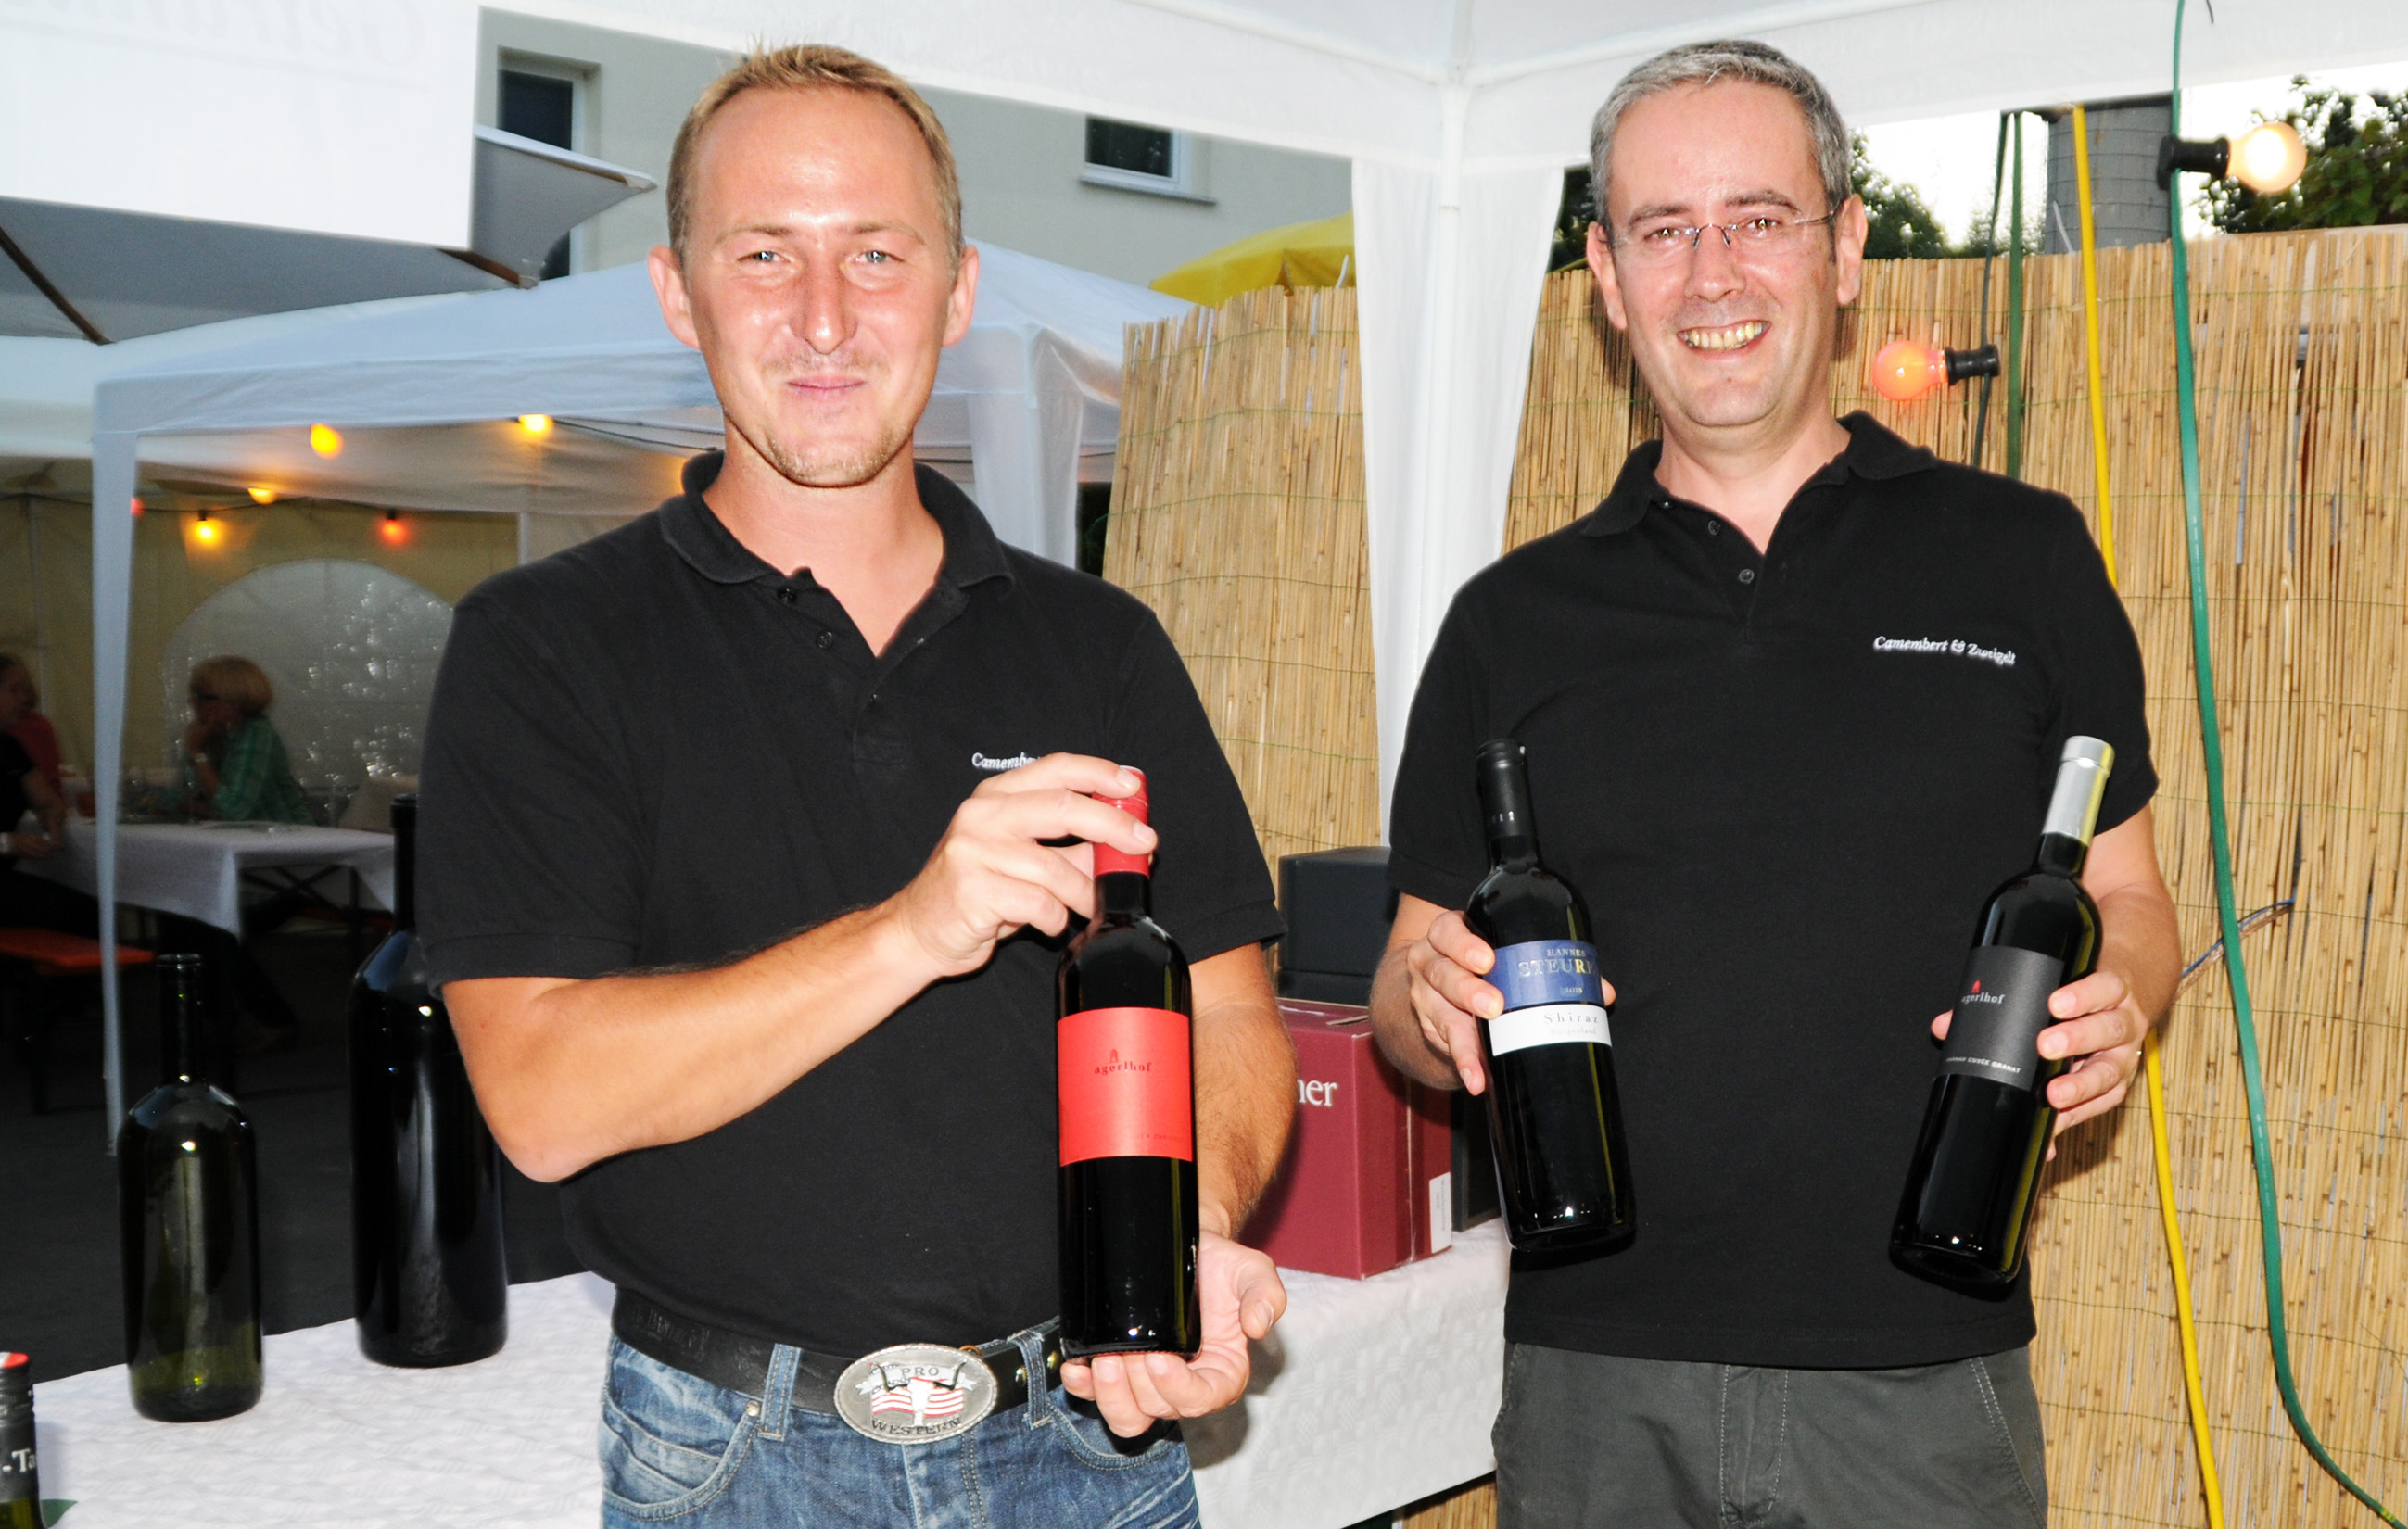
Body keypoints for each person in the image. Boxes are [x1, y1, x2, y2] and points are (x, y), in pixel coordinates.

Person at [419, 45, 1296, 1529]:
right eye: (764, 253)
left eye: (877, 254)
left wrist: (1189, 1222)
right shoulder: (542, 643)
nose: (823, 316)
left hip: (1087, 1438)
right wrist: (913, 927)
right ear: (678, 292)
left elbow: (1226, 1011)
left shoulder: (1098, 643)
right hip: (735, 1461)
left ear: (956, 292)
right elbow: (543, 1102)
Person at [1370, 41, 2181, 1529]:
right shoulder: (1510, 621)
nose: (1712, 273)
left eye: (1757, 218)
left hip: (1920, 1373)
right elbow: (1403, 982)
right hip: (1596, 1377)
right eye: (1662, 230)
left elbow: (2129, 895)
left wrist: (2118, 997)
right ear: (1605, 279)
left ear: (1845, 246)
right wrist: (1429, 1002)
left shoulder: (2022, 559)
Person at [0, 656, 95, 936]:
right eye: (14, 690)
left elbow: (49, 801)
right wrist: (8, 842)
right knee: (74, 912)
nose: (24, 698)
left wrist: (52, 818)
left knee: (87, 905)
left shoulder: (9, 747)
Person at [181, 656, 311, 825]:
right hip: (241, 837)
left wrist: (197, 754)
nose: (191, 701)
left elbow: (232, 810)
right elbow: (173, 799)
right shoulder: (206, 733)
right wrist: (201, 809)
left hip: (287, 837)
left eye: (200, 696)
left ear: (232, 702)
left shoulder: (256, 731)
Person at [0, 655, 63, 797]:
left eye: (22, 689)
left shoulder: (14, 742)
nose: (22, 697)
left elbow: (48, 795)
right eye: (13, 690)